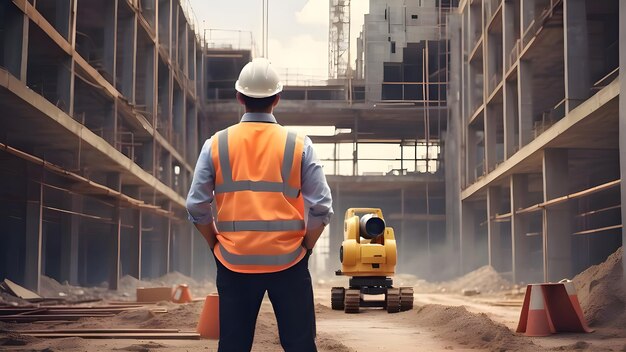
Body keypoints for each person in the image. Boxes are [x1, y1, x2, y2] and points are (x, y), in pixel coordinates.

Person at [186, 57, 333, 352]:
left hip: (234, 259)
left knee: (234, 346)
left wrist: (215, 243)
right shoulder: (299, 144)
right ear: (277, 99)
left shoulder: (215, 144)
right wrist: (306, 246)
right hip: (288, 260)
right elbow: (321, 207)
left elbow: (196, 205)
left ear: (239, 97)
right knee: (300, 345)